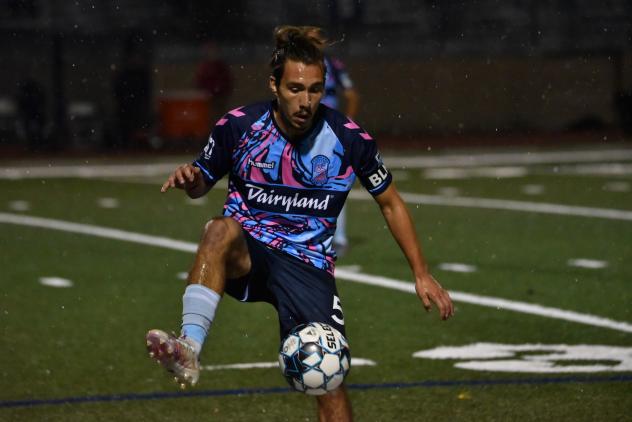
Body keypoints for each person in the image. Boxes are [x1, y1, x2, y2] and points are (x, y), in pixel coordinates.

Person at [146, 25, 454, 422]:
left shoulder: (348, 138)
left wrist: (421, 273)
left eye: (315, 89)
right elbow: (202, 181)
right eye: (295, 89)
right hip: (251, 251)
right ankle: (189, 345)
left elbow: (390, 203)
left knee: (328, 378)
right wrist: (193, 180)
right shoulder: (239, 127)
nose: (306, 100)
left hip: (308, 265)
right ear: (273, 85)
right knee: (218, 229)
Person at [306, 27, 360, 256]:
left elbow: (351, 95)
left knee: (326, 181)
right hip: (304, 132)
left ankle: (335, 237)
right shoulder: (300, 67)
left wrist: (345, 126)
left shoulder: (331, 65)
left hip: (324, 134)